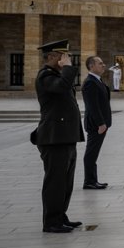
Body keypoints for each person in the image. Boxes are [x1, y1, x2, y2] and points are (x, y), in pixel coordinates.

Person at [31, 39, 85, 233]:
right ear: (52, 56)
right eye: (64, 56)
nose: (67, 59)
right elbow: (61, 87)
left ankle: (61, 216)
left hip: (65, 137)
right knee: (55, 182)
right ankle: (51, 221)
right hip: (54, 138)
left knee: (65, 182)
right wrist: (68, 68)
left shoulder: (57, 76)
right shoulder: (45, 76)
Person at [81, 55, 112, 189]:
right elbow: (92, 106)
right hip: (96, 124)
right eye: (100, 63)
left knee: (94, 153)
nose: (103, 65)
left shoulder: (97, 80)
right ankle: (89, 181)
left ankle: (92, 180)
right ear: (91, 66)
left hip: (100, 123)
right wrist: (101, 123)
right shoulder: (90, 82)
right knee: (91, 152)